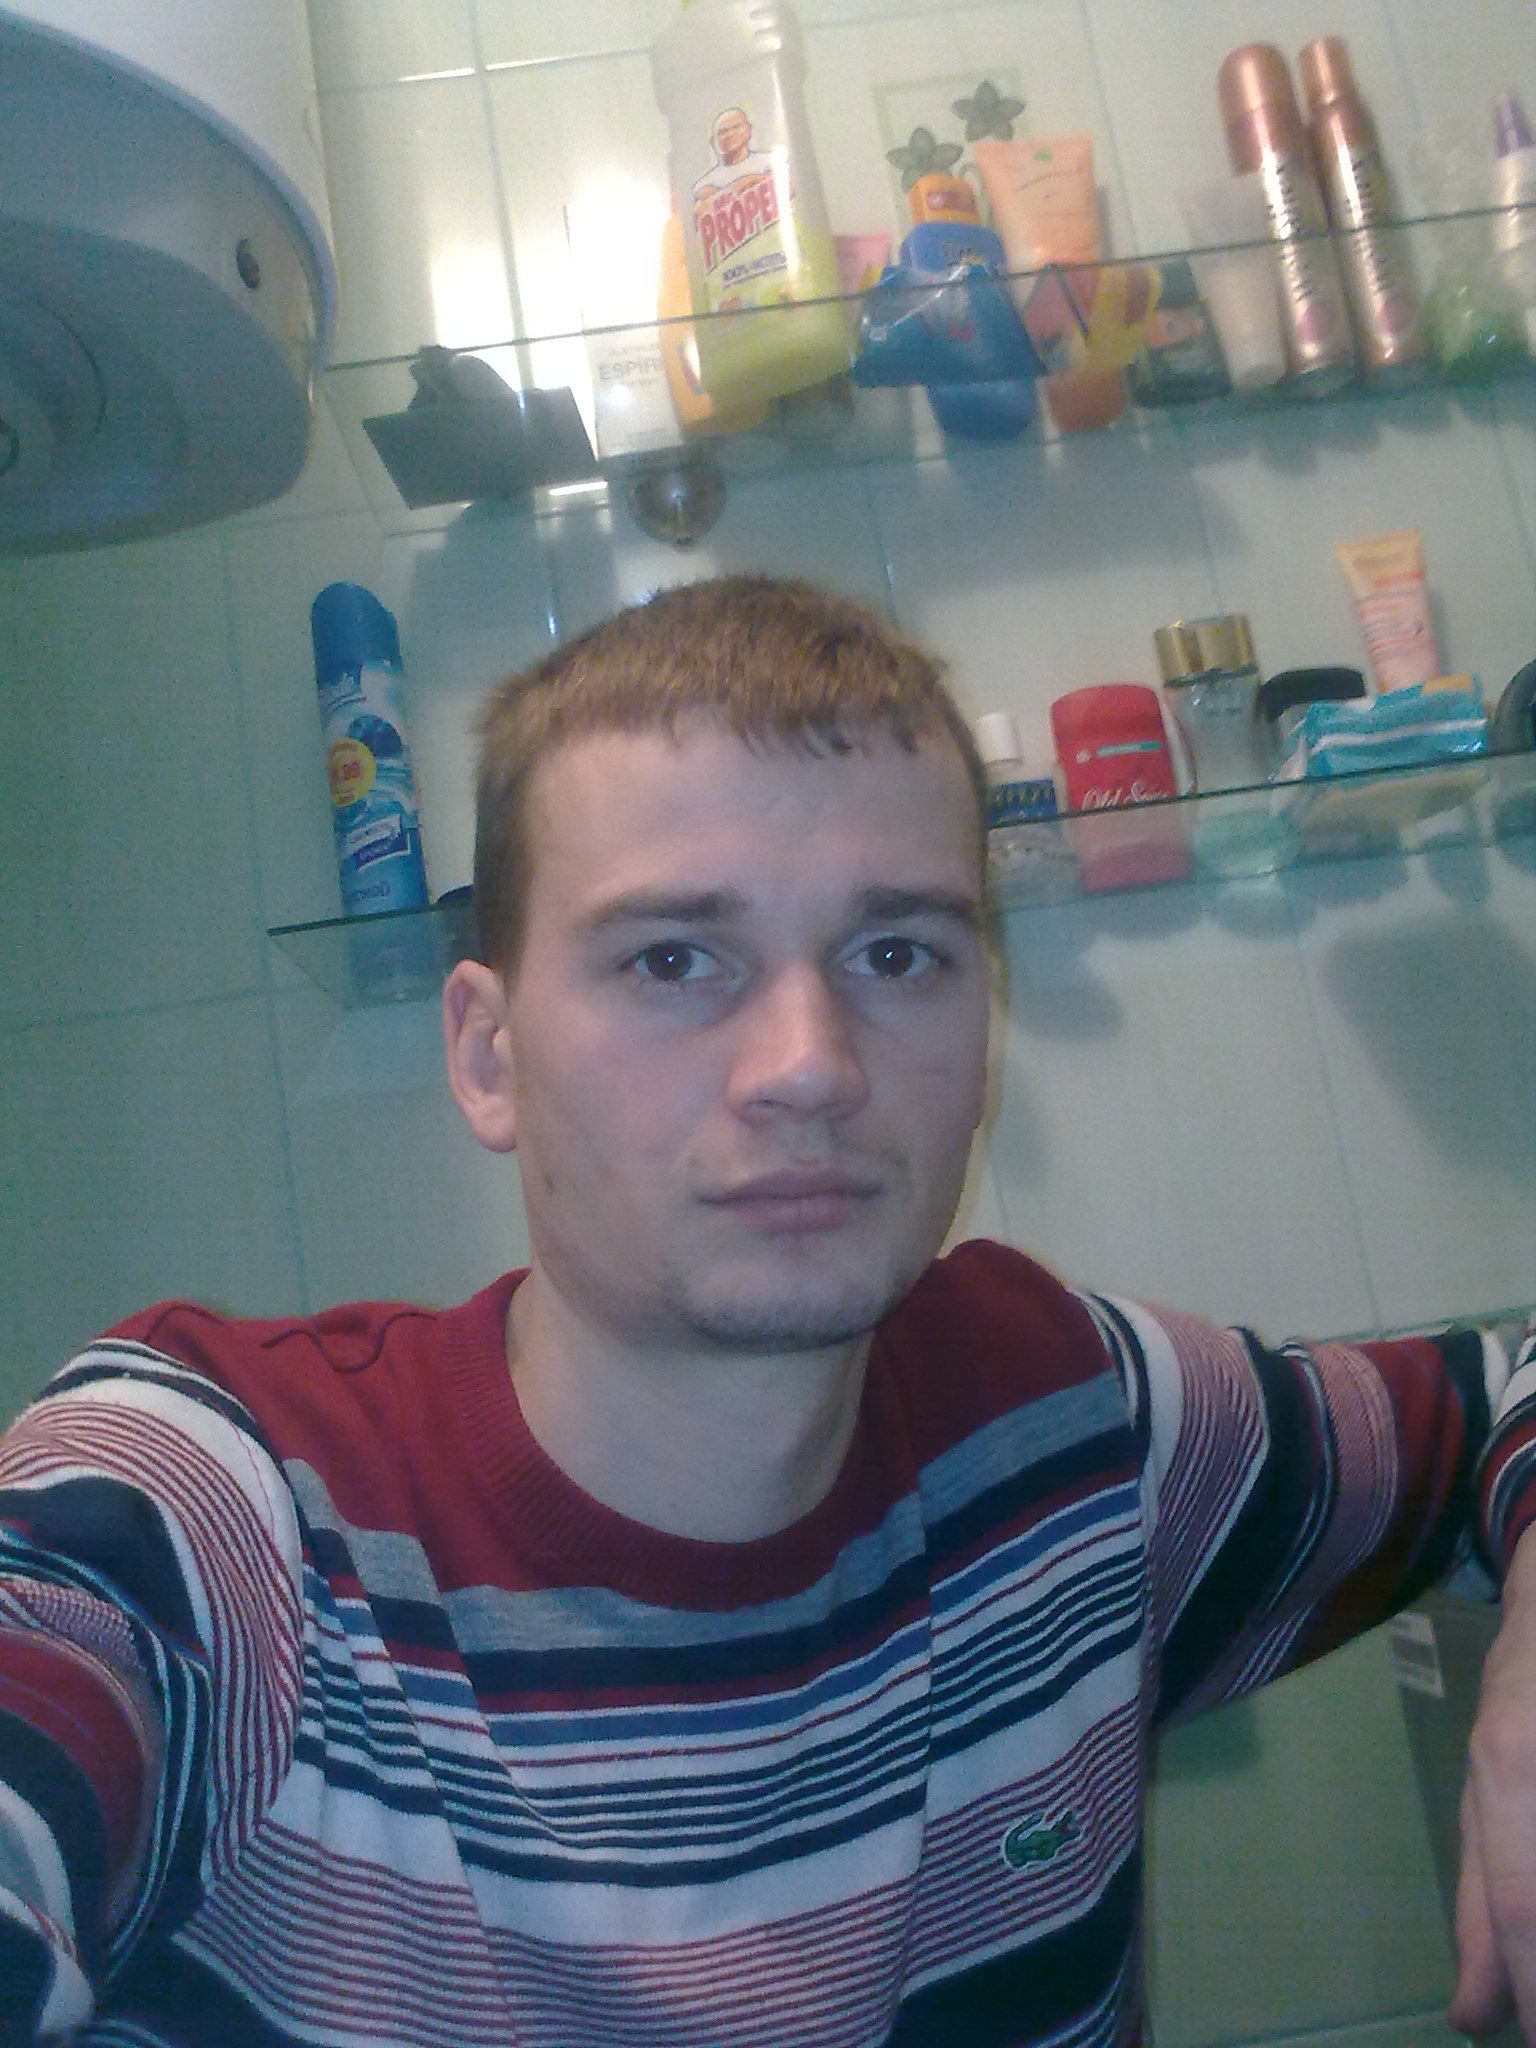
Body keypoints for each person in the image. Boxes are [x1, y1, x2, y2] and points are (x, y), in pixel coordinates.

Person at [0, 573, 1534, 2046]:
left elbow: (1501, 1397)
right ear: (487, 1055)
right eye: (675, 958)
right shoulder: (226, 1525)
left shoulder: (1067, 1426)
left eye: (896, 952)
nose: (811, 1064)